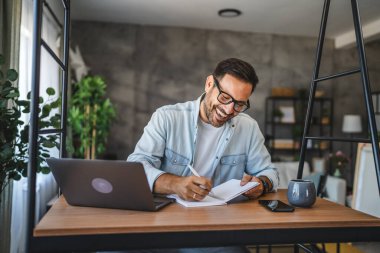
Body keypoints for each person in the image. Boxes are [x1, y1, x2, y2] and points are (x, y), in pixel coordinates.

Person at [127, 58, 279, 253]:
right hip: (162, 223)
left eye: (239, 104)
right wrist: (175, 184)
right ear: (209, 84)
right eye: (225, 97)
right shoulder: (167, 118)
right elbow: (137, 165)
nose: (229, 110)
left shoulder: (248, 128)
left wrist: (262, 184)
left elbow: (270, 172)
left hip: (217, 229)